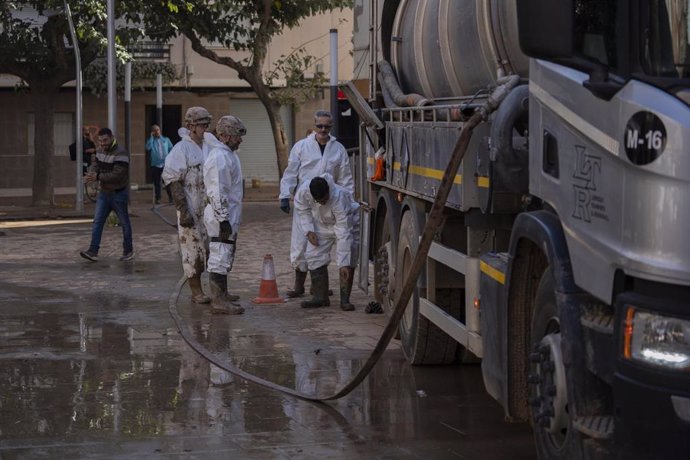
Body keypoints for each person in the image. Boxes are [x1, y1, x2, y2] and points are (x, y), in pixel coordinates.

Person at [279, 110, 354, 299]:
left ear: (331, 127)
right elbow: (291, 172)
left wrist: (349, 203)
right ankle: (299, 285)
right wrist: (284, 194)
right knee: (300, 244)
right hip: (305, 201)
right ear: (314, 125)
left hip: (329, 204)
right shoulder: (301, 147)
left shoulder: (338, 149)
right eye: (319, 126)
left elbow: (345, 179)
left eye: (327, 126)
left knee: (320, 244)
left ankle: (319, 286)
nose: (323, 129)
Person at [162, 107, 214, 305]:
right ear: (191, 126)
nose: (205, 128)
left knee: (211, 250)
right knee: (192, 250)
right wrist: (183, 210)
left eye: (206, 124)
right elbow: (172, 179)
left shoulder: (209, 146)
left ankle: (216, 289)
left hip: (208, 208)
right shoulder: (181, 149)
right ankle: (196, 292)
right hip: (191, 207)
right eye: (201, 124)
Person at [294, 174, 360, 310]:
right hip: (321, 224)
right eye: (319, 201)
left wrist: (343, 263)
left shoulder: (340, 197)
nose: (322, 203)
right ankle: (320, 297)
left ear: (329, 191)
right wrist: (309, 230)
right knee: (313, 255)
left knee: (349, 257)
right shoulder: (304, 191)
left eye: (324, 200)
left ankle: (345, 300)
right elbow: (302, 209)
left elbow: (344, 233)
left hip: (345, 224)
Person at [202, 115, 247, 315]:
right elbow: (217, 191)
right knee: (219, 254)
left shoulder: (228, 155)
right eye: (237, 135)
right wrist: (223, 220)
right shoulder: (219, 157)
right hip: (221, 216)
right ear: (224, 136)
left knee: (225, 252)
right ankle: (218, 301)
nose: (240, 140)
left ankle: (223, 294)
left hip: (229, 213)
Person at [79, 128, 134, 262]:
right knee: (97, 221)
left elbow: (117, 175)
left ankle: (128, 251)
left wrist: (97, 176)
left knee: (124, 222)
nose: (102, 143)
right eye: (100, 141)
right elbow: (95, 164)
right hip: (104, 193)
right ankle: (93, 251)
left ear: (112, 138)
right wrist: (91, 173)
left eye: (105, 140)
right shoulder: (99, 150)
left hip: (118, 193)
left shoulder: (121, 153)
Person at [145, 124, 174, 204]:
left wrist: (170, 158)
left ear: (160, 131)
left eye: (158, 130)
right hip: (155, 165)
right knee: (157, 183)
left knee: (167, 182)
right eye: (155, 130)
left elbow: (171, 148)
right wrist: (151, 137)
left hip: (165, 164)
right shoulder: (152, 141)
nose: (157, 132)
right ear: (152, 132)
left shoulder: (165, 139)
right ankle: (158, 198)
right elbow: (148, 147)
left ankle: (171, 198)